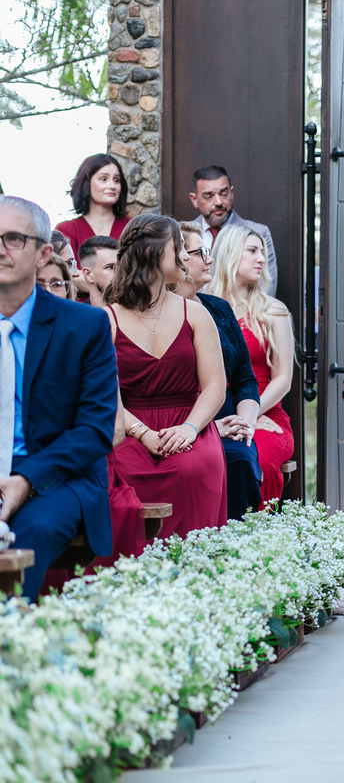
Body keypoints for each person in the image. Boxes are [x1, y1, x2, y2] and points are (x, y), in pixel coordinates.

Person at [0, 196, 119, 598]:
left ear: (43, 254)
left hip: (57, 477)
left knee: (28, 533)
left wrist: (27, 479)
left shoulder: (84, 326)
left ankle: (10, 626)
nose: (1, 249)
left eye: (14, 239)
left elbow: (94, 431)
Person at [106, 214, 228, 539]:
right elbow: (106, 398)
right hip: (128, 428)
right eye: (179, 247)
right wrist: (142, 433)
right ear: (153, 252)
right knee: (122, 470)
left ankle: (194, 563)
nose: (186, 256)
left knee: (192, 468)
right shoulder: (106, 320)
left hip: (189, 423)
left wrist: (190, 428)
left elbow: (215, 386)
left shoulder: (196, 314)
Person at [178, 222, 263, 519]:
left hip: (230, 421)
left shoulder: (219, 308)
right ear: (177, 258)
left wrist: (245, 424)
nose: (210, 258)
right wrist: (209, 428)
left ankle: (240, 541)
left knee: (240, 455)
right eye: (201, 252)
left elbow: (245, 379)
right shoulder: (157, 314)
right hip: (183, 421)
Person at [208, 224, 294, 504]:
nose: (262, 259)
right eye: (253, 251)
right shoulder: (204, 308)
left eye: (263, 252)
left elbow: (283, 378)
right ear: (230, 253)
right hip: (216, 416)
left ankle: (257, 530)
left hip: (266, 414)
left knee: (260, 458)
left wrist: (250, 416)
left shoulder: (273, 310)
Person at [184, 165, 279, 297]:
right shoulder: (183, 234)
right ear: (194, 199)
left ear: (232, 193)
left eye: (224, 194)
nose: (218, 202)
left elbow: (266, 288)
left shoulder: (258, 232)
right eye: (208, 196)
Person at [54, 154, 132, 257]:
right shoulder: (66, 231)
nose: (112, 186)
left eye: (116, 180)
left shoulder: (132, 228)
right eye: (104, 179)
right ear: (86, 183)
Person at [78, 235, 120, 308]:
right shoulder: (78, 314)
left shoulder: (139, 312)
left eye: (121, 266)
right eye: (110, 267)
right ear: (88, 274)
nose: (119, 272)